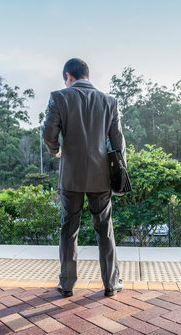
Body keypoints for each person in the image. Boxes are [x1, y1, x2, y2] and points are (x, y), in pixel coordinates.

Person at [43, 58, 126, 297]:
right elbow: (118, 142)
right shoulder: (109, 101)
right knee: (104, 230)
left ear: (68, 76)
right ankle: (111, 283)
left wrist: (55, 151)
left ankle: (67, 284)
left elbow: (49, 134)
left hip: (71, 177)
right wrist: (119, 176)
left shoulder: (59, 97)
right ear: (86, 75)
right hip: (101, 177)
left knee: (69, 229)